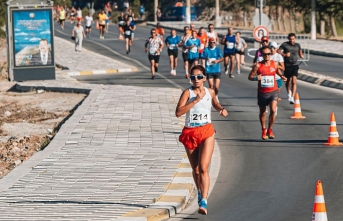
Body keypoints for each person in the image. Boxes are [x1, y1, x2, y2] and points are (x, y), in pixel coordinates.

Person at [175, 65, 228, 215]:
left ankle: (204, 201)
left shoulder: (210, 91)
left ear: (204, 78)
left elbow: (215, 103)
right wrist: (194, 101)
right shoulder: (187, 93)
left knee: (204, 167)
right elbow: (178, 112)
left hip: (206, 131)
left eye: (199, 77)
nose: (196, 79)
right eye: (193, 77)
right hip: (190, 131)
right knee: (196, 170)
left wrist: (221, 109)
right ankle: (199, 190)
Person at [248, 46, 287, 140]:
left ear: (270, 54)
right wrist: (255, 78)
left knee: (273, 110)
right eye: (265, 54)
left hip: (273, 91)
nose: (267, 56)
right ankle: (263, 129)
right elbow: (250, 77)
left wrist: (282, 76)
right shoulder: (258, 66)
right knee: (263, 112)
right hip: (262, 93)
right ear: (262, 55)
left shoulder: (274, 64)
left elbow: (277, 71)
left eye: (269, 54)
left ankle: (270, 129)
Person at [277, 33, 304, 104]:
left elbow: (300, 51)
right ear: (288, 39)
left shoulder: (297, 45)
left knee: (294, 81)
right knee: (288, 81)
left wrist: (301, 55)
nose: (292, 40)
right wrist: (284, 54)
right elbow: (278, 51)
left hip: (295, 65)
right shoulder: (284, 44)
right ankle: (289, 92)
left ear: (295, 39)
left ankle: (292, 96)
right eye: (290, 39)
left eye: (293, 39)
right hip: (287, 65)